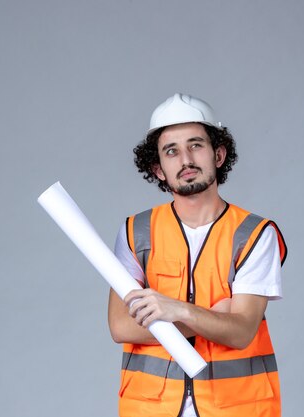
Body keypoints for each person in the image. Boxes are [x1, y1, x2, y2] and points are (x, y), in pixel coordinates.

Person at [107, 93, 287, 417]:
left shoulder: (255, 234)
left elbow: (242, 331)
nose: (185, 160)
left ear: (218, 154)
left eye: (196, 145)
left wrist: (174, 310)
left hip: (238, 408)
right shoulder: (136, 232)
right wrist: (206, 316)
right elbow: (120, 326)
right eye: (171, 151)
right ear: (158, 168)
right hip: (150, 408)